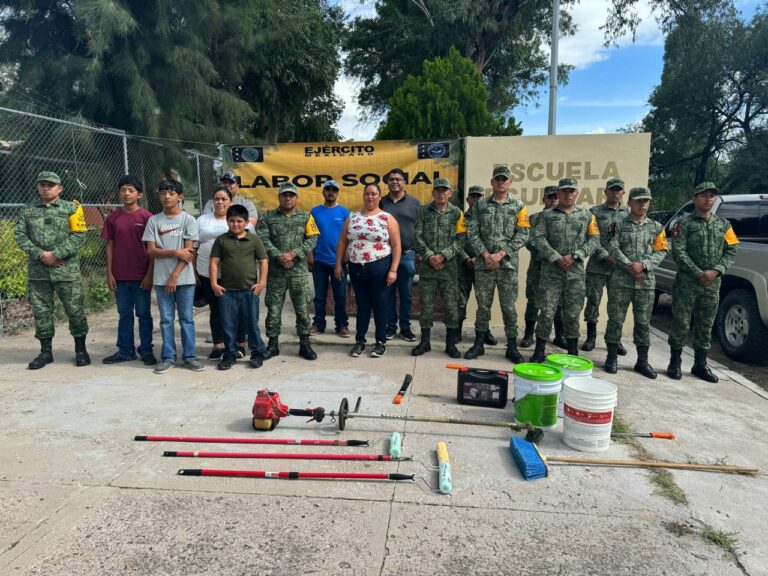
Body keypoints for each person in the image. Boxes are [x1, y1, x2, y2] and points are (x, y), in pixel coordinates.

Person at [14, 171, 90, 369]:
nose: (46, 188)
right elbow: (20, 236)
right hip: (39, 272)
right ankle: (45, 352)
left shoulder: (71, 209)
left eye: (50, 185)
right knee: (42, 312)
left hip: (66, 271)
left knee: (74, 310)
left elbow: (79, 235)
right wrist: (42, 254)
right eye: (42, 184)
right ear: (38, 187)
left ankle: (80, 350)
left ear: (60, 188)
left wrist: (55, 254)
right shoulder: (28, 210)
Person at [667, 182, 738, 382]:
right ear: (694, 199)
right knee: (681, 323)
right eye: (703, 195)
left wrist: (716, 271)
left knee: (706, 325)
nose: (708, 198)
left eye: (711, 195)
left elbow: (731, 250)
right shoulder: (684, 224)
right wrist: (699, 273)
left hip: (711, 285)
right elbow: (678, 252)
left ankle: (700, 365)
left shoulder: (724, 225)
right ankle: (675, 363)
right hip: (687, 284)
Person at [529, 178, 600, 362]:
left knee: (572, 312)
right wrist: (556, 257)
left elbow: (594, 240)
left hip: (575, 273)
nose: (568, 194)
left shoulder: (587, 216)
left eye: (572, 191)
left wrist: (576, 255)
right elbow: (538, 238)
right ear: (559, 193)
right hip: (551, 272)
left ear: (577, 193)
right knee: (547, 310)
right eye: (564, 191)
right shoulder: (546, 215)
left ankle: (572, 351)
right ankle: (539, 349)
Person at [464, 165, 530, 363]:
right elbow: (472, 232)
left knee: (509, 307)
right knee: (483, 307)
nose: (501, 182)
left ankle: (511, 347)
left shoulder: (519, 206)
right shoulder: (480, 206)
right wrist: (486, 255)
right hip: (484, 265)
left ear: (510, 183)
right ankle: (478, 344)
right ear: (492, 182)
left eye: (505, 179)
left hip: (507, 266)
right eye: (497, 179)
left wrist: (500, 255)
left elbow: (523, 233)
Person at [605, 187, 668, 378]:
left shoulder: (657, 227)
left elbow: (662, 250)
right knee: (616, 320)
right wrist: (629, 265)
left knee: (642, 322)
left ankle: (642, 361)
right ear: (630, 202)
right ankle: (611, 358)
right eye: (639, 201)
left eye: (646, 201)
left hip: (645, 282)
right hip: (621, 281)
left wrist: (645, 266)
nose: (642, 204)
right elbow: (612, 247)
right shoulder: (617, 224)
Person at [142, 179, 203, 374]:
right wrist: (175, 252)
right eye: (163, 193)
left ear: (180, 196)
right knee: (166, 320)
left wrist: (175, 275)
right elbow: (151, 251)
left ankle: (190, 356)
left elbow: (189, 252)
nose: (167, 196)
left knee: (186, 319)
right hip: (161, 280)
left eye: (171, 192)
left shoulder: (188, 220)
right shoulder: (154, 220)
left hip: (184, 280)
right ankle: (168, 357)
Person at [335, 183, 401, 358]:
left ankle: (380, 342)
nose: (370, 197)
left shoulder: (387, 218)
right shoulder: (353, 216)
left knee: (380, 304)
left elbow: (396, 245)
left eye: (373, 194)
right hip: (357, 267)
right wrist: (338, 264)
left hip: (380, 265)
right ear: (363, 196)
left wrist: (393, 270)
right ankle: (360, 341)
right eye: (367, 194)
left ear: (379, 196)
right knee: (362, 305)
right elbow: (342, 242)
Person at [257, 182, 319, 361]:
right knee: (274, 310)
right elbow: (263, 238)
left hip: (298, 271)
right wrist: (278, 256)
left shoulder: (306, 217)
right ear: (279, 197)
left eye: (291, 195)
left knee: (302, 309)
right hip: (276, 272)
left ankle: (305, 345)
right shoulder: (267, 217)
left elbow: (313, 239)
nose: (288, 198)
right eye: (285, 195)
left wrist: (293, 254)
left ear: (297, 198)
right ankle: (272, 345)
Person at [101, 175, 155, 365]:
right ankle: (125, 350)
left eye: (131, 190)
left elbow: (152, 249)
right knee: (124, 314)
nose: (126, 193)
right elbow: (109, 246)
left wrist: (149, 274)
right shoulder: (113, 218)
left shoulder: (147, 218)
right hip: (120, 276)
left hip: (141, 276)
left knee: (143, 314)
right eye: (123, 190)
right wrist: (109, 273)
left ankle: (146, 350)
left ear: (139, 194)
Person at [195, 185, 254, 360]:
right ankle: (218, 344)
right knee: (215, 310)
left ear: (231, 201)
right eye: (217, 199)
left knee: (239, 311)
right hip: (206, 272)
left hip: (233, 275)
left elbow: (251, 249)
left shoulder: (239, 221)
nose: (220, 202)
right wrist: (194, 271)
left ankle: (239, 344)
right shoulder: (202, 220)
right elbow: (194, 247)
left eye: (224, 199)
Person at [209, 204, 269, 370]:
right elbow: (214, 262)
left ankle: (257, 352)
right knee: (228, 325)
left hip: (249, 291)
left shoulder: (254, 240)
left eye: (239, 221)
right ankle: (230, 353)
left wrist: (262, 283)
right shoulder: (222, 240)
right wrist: (214, 283)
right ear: (227, 222)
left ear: (246, 222)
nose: (235, 224)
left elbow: (263, 261)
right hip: (227, 292)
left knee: (252, 323)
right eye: (232, 221)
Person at [412, 177, 466, 358]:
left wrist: (443, 255)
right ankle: (425, 342)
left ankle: (450, 344)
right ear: (433, 193)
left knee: (451, 307)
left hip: (449, 269)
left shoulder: (457, 213)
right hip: (428, 269)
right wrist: (430, 256)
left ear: (450, 193)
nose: (441, 193)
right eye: (438, 190)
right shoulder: (423, 212)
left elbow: (461, 239)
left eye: (445, 190)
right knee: (426, 306)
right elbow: (417, 236)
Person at [582, 178, 630, 353]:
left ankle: (614, 339)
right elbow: (590, 237)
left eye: (618, 190)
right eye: (612, 189)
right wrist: (603, 255)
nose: (615, 192)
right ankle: (591, 337)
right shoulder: (594, 212)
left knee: (617, 304)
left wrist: (620, 258)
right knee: (593, 301)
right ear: (606, 192)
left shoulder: (630, 214)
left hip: (620, 267)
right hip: (597, 265)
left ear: (623, 193)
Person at [520, 185, 566, 349]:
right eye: (549, 197)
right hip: (538, 267)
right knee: (533, 299)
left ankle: (559, 336)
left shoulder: (565, 218)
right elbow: (528, 240)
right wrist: (548, 255)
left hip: (558, 268)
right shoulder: (534, 218)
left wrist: (559, 258)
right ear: (544, 199)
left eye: (555, 197)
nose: (553, 200)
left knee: (559, 302)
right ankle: (528, 334)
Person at [380, 168, 421, 342]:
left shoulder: (415, 203)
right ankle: (390, 327)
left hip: (407, 255)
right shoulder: (381, 203)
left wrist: (419, 251)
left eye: (398, 179)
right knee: (387, 293)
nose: (395, 181)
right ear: (387, 183)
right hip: (385, 255)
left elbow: (420, 229)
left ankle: (405, 328)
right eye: (391, 179)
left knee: (406, 293)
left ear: (404, 182)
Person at [456, 185, 498, 346]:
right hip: (463, 265)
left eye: (479, 196)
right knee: (460, 300)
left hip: (484, 265)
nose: (476, 199)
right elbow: (456, 241)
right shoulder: (461, 218)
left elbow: (494, 241)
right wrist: (467, 259)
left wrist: (482, 258)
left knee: (484, 301)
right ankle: (456, 331)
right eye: (473, 196)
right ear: (468, 199)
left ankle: (484, 331)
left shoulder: (490, 218)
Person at [309, 180, 351, 337]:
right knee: (320, 297)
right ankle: (318, 324)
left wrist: (347, 252)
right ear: (323, 192)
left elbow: (349, 236)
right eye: (328, 189)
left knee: (340, 296)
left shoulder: (344, 213)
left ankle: (342, 325)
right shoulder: (314, 212)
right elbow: (309, 235)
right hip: (319, 260)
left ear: (338, 193)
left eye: (334, 190)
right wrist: (309, 254)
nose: (331, 192)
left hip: (338, 262)